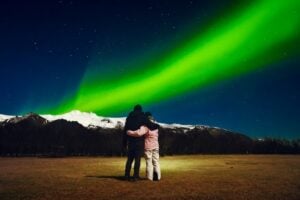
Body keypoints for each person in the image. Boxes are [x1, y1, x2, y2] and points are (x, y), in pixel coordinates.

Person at [127, 112, 161, 181]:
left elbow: (138, 133)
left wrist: (129, 132)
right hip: (156, 146)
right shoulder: (156, 127)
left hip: (148, 146)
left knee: (149, 162)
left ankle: (149, 177)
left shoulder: (146, 126)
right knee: (156, 162)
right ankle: (158, 177)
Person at [123, 104, 148, 181]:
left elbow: (125, 130)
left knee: (129, 159)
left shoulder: (129, 117)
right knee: (137, 159)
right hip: (139, 141)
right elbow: (148, 124)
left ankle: (126, 175)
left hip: (130, 141)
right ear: (140, 109)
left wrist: (124, 142)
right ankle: (135, 176)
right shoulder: (143, 116)